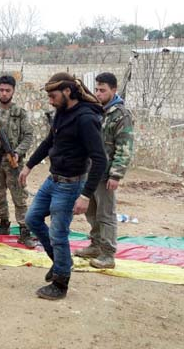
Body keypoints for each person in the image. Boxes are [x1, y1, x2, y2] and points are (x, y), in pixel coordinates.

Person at [19, 72, 108, 300]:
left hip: (71, 186)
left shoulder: (86, 119)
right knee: (32, 219)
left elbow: (100, 159)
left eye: (53, 95)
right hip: (53, 179)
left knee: (58, 234)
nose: (50, 100)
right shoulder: (61, 112)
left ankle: (60, 283)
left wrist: (86, 195)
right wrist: (29, 166)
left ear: (68, 91)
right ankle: (61, 263)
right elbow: (50, 141)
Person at [74, 72, 134, 269]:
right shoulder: (97, 111)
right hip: (91, 173)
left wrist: (116, 174)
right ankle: (95, 245)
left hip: (106, 174)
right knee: (91, 212)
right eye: (97, 89)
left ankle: (108, 254)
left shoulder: (121, 115)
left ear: (114, 90)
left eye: (103, 90)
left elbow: (124, 148)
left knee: (106, 215)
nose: (98, 93)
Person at [0, 75, 35, 248]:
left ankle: (25, 231)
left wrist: (17, 152)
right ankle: (4, 224)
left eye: (7, 90)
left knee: (19, 196)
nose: (4, 93)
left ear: (13, 91)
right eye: (1, 90)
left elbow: (28, 135)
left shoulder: (20, 113)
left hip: (13, 161)